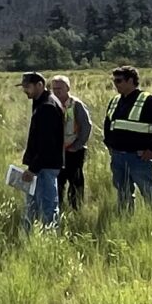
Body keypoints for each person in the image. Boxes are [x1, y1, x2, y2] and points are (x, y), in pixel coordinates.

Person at [102, 65, 152, 210]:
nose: (115, 84)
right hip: (118, 157)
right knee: (123, 193)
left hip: (140, 158)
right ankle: (126, 220)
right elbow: (109, 125)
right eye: (114, 81)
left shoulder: (149, 101)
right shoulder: (115, 101)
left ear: (131, 80)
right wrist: (109, 145)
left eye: (119, 81)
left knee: (149, 193)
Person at [19, 71, 64, 231]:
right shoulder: (41, 102)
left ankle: (50, 240)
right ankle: (31, 236)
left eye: (28, 86)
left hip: (44, 166)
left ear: (40, 85)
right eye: (23, 87)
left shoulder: (47, 106)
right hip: (40, 165)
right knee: (33, 204)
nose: (25, 90)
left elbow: (47, 144)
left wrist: (33, 169)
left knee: (47, 205)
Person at [52, 76, 93, 211]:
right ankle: (59, 208)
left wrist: (77, 146)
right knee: (58, 181)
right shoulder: (51, 104)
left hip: (74, 151)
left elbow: (86, 126)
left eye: (60, 88)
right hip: (57, 152)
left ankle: (76, 208)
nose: (56, 91)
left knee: (75, 181)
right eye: (54, 89)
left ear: (68, 88)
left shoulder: (76, 105)